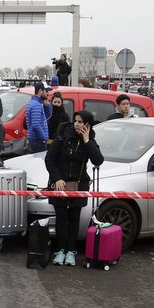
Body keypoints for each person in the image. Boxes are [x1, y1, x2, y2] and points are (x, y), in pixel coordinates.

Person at [45, 110, 104, 266]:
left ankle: (71, 251)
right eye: (76, 121)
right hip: (60, 184)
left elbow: (98, 160)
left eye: (80, 122)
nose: (77, 124)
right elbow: (50, 158)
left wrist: (86, 140)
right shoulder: (63, 135)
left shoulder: (90, 139)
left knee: (74, 219)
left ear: (88, 125)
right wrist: (57, 178)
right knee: (61, 217)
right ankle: (60, 250)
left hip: (79, 185)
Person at [25, 82, 52, 153]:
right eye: (46, 91)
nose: (47, 93)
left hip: (35, 140)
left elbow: (45, 118)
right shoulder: (36, 105)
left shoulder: (35, 103)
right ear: (40, 91)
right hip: (37, 141)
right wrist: (44, 138)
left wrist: (47, 106)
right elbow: (36, 125)